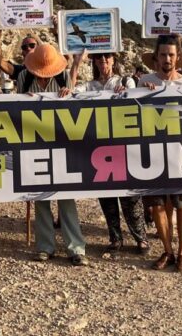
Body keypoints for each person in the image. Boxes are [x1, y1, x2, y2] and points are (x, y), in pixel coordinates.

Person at [71, 51, 148, 255]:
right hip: (99, 148)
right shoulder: (89, 86)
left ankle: (141, 238)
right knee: (106, 197)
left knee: (131, 197)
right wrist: (76, 64)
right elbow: (70, 92)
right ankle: (115, 237)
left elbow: (140, 98)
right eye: (99, 57)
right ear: (94, 61)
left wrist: (128, 94)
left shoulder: (126, 81)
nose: (103, 60)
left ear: (114, 59)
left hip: (124, 146)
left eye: (107, 56)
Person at [17, 44, 88, 266]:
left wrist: (69, 94)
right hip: (34, 143)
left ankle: (75, 248)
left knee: (66, 196)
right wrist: (22, 99)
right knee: (40, 196)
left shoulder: (63, 75)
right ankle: (45, 246)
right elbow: (15, 108)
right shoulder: (23, 77)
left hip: (61, 143)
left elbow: (72, 107)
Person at [137, 34, 182, 272]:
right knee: (158, 206)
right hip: (153, 154)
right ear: (156, 57)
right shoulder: (144, 82)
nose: (167, 59)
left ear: (177, 57)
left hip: (180, 153)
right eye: (163, 54)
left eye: (171, 54)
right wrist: (143, 94)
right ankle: (167, 251)